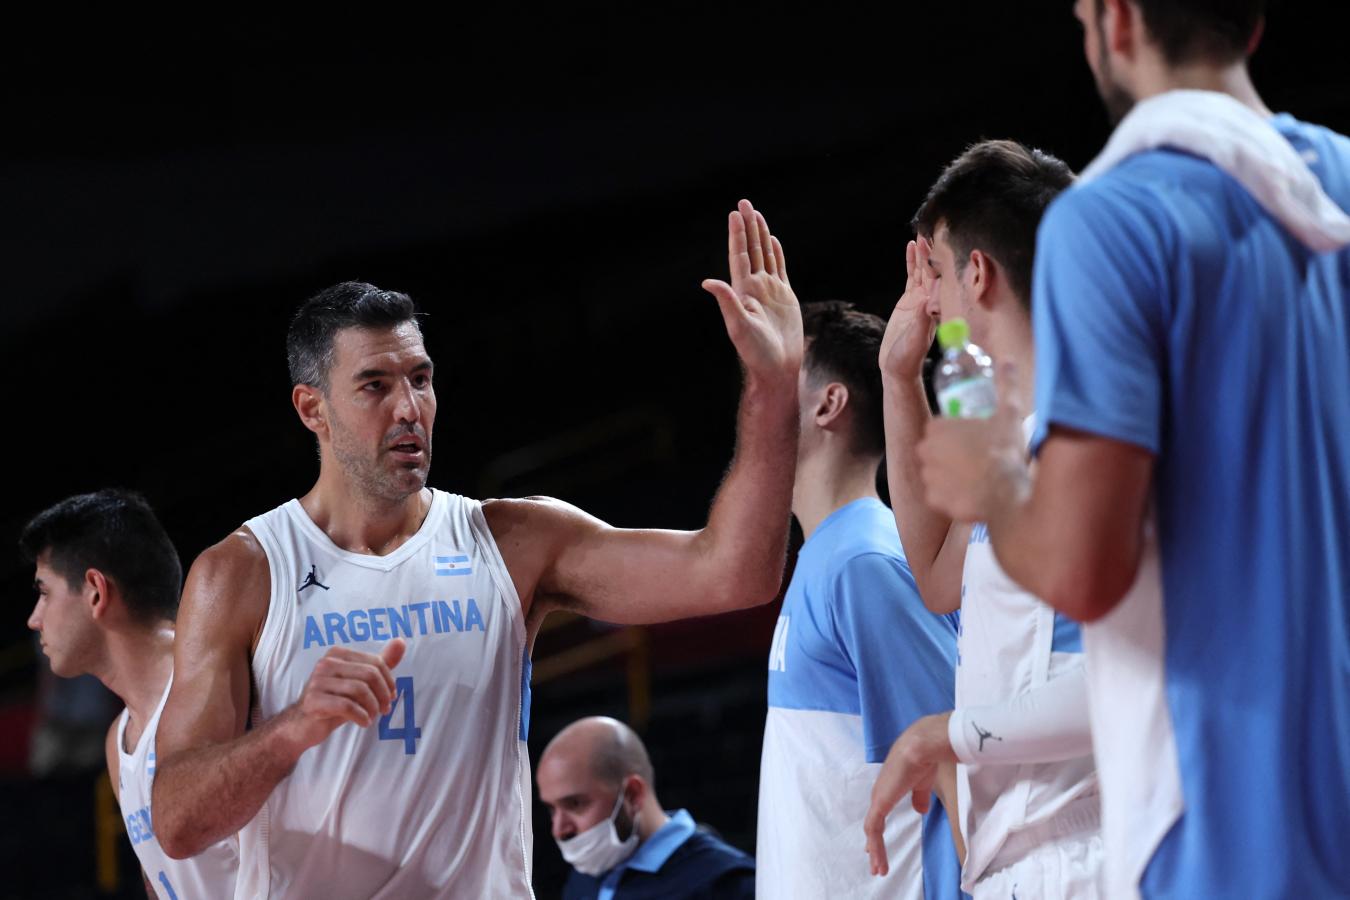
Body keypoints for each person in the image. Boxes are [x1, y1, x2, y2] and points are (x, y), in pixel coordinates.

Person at [149, 200, 804, 897]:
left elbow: (736, 574)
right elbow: (178, 822)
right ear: (312, 409)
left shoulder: (515, 541)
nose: (409, 409)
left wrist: (772, 386)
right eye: (375, 386)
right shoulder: (243, 572)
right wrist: (292, 730)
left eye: (421, 379)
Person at [914, 2, 1350, 896]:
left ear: (1115, 22)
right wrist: (911, 367)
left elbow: (1077, 569)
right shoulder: (1339, 179)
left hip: (1194, 804)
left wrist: (991, 487)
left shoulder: (1110, 225)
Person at [862, 141, 1100, 899]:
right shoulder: (1019, 432)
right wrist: (899, 378)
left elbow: (1121, 680)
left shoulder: (1085, 437)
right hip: (1021, 865)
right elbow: (936, 577)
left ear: (977, 275)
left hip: (1090, 854)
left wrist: (950, 734)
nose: (925, 300)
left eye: (931, 271)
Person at [756, 301, 960, 899]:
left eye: (778, 374)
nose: (756, 394)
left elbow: (959, 772)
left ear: (828, 403)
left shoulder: (864, 563)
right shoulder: (831, 554)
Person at [20, 489, 238, 900]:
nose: (34, 619)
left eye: (44, 593)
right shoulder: (119, 740)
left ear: (96, 593)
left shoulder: (232, 687)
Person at [537, 716, 754, 899]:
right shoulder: (584, 876)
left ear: (632, 794)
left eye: (575, 804)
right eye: (552, 810)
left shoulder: (728, 884)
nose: (559, 829)